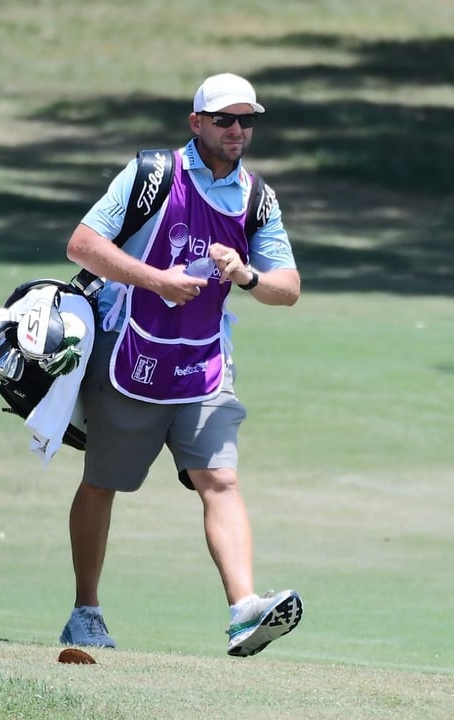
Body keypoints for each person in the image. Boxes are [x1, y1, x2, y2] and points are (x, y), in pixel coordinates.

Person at [58, 72, 303, 658]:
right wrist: (156, 279)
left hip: (205, 364)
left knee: (220, 480)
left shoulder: (255, 198)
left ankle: (244, 610)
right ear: (197, 123)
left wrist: (245, 275)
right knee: (101, 483)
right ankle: (85, 611)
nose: (237, 130)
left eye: (247, 120)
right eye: (224, 119)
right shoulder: (151, 175)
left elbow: (288, 288)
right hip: (130, 354)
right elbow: (82, 244)